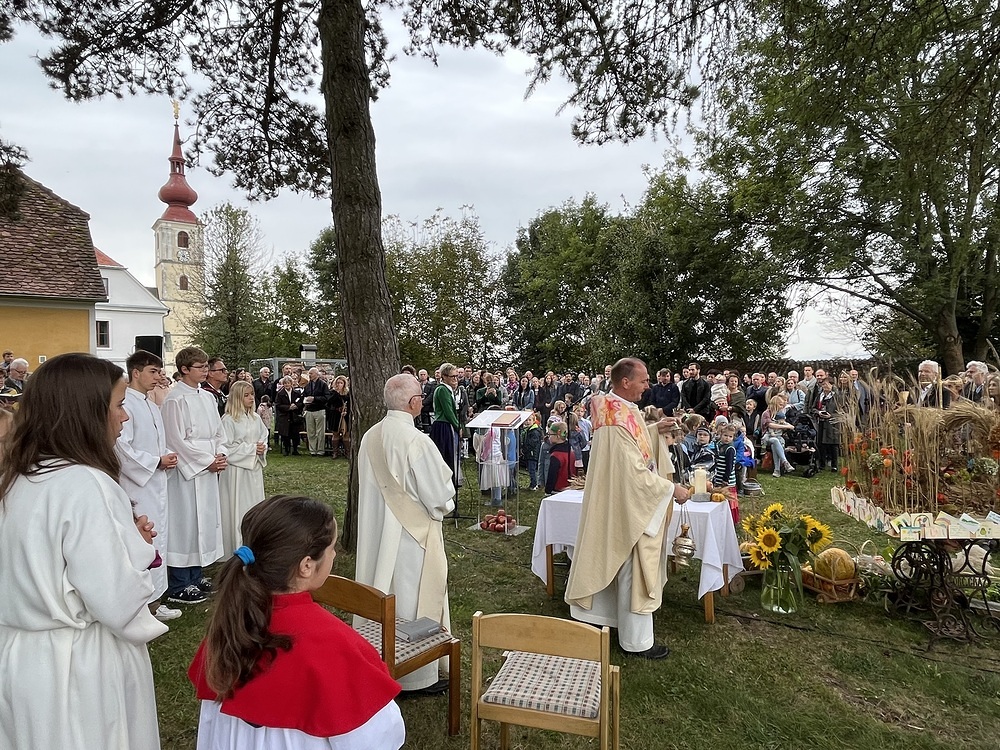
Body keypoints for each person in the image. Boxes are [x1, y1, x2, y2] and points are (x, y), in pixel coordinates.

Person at [0, 353, 167, 750]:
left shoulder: (17, 478)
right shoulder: (86, 484)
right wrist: (137, 552)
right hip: (79, 666)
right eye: (118, 404)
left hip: (21, 657)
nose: (125, 417)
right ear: (85, 412)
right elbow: (115, 599)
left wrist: (123, 538)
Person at [188, 495, 405, 749]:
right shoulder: (334, 645)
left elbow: (211, 723)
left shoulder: (230, 625)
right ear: (306, 565)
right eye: (331, 548)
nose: (334, 554)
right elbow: (376, 738)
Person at [565, 358, 690, 659]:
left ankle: (604, 619)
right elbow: (632, 471)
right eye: (644, 380)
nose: (648, 386)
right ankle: (637, 641)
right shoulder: (614, 418)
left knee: (616, 558)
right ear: (625, 382)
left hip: (617, 498)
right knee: (635, 564)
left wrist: (654, 429)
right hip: (629, 501)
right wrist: (670, 488)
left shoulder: (618, 409)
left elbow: (634, 442)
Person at [356, 374, 455, 693]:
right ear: (414, 403)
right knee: (411, 598)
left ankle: (374, 661)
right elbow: (439, 496)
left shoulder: (370, 436)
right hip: (412, 536)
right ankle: (416, 674)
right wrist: (447, 503)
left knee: (380, 589)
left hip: (376, 532)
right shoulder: (417, 442)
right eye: (421, 398)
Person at [116, 349, 181, 622]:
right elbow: (122, 448)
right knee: (143, 539)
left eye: (159, 371)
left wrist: (166, 456)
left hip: (156, 482)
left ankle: (156, 599)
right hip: (137, 486)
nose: (158, 377)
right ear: (136, 373)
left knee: (159, 537)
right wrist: (155, 462)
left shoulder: (152, 405)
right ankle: (142, 604)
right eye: (152, 372)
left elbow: (157, 442)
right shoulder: (126, 406)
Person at [161, 346, 228, 605]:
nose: (205, 371)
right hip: (187, 471)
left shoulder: (208, 397)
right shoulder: (175, 399)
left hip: (208, 465)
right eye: (199, 367)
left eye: (206, 366)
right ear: (184, 369)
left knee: (204, 521)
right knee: (186, 523)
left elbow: (219, 432)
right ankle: (179, 582)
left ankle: (196, 574)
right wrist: (206, 461)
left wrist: (220, 454)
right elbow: (174, 439)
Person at [220, 381, 269, 553]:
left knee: (254, 505)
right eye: (246, 395)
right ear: (237, 398)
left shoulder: (255, 418)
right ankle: (235, 544)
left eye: (252, 394)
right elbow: (226, 447)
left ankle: (253, 542)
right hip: (236, 472)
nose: (251, 398)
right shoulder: (229, 420)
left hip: (253, 469)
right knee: (238, 506)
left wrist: (261, 448)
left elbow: (264, 436)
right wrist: (252, 449)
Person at [430, 363, 462, 496]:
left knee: (449, 456)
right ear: (444, 376)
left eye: (456, 376)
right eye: (452, 376)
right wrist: (458, 426)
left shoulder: (447, 389)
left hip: (445, 425)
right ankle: (443, 488)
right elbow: (448, 412)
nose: (455, 379)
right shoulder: (442, 389)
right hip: (443, 426)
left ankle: (448, 487)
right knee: (445, 457)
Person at [275, 375, 304, 456]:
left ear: (291, 383)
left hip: (295, 416)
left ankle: (295, 449)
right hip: (285, 416)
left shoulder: (297, 393)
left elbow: (301, 403)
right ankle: (287, 450)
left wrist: (296, 406)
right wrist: (288, 407)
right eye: (285, 383)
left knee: (295, 434)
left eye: (288, 383)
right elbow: (278, 405)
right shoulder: (280, 394)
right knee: (286, 434)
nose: (287, 385)